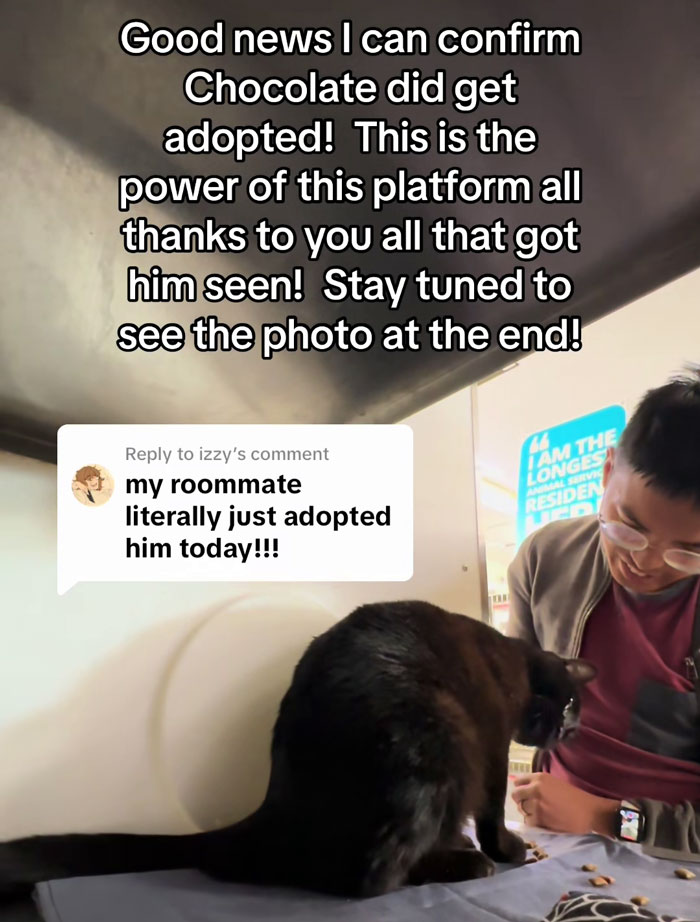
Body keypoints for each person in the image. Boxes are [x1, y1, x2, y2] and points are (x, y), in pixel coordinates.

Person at [507, 368, 700, 861]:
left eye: (688, 553)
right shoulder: (546, 558)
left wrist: (606, 818)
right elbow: (513, 696)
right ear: (607, 470)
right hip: (552, 836)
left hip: (676, 860)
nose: (646, 562)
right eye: (627, 528)